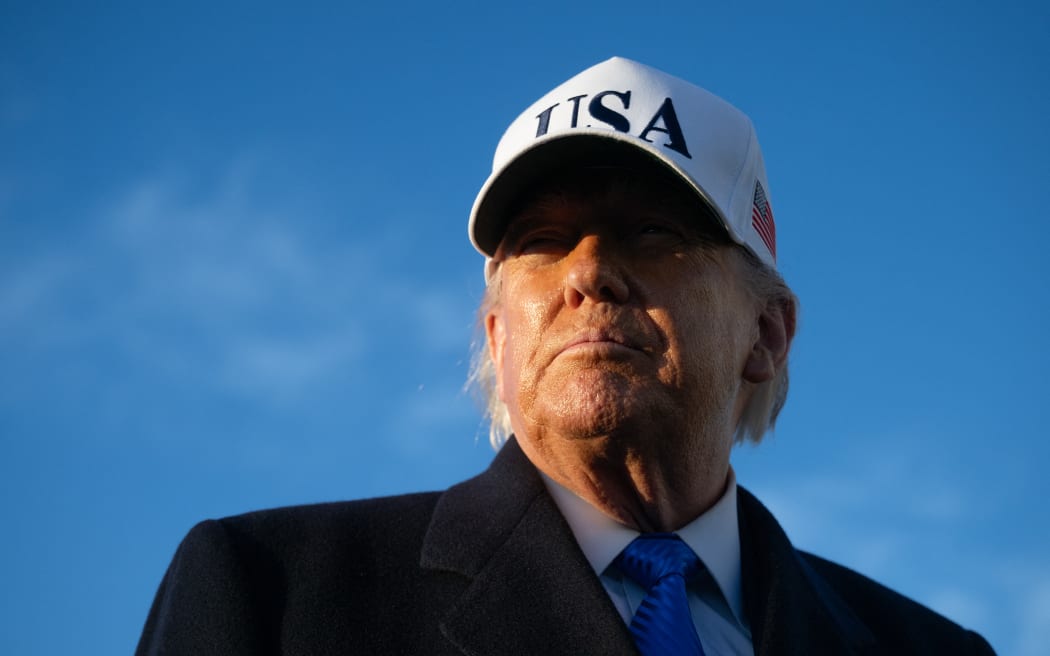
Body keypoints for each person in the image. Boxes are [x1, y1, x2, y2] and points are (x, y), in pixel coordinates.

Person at [136, 57, 995, 655]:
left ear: (766, 334)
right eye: (541, 242)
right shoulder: (273, 600)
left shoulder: (932, 649)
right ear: (498, 337)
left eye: (651, 231)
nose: (587, 273)